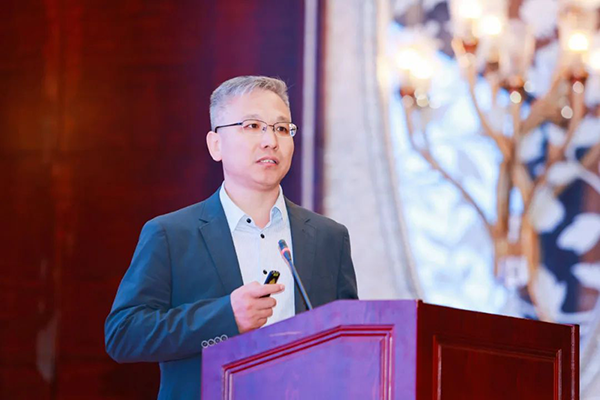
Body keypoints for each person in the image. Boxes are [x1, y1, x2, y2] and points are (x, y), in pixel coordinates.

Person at [104, 76, 358, 399]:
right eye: (252, 126)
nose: (271, 141)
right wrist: (226, 317)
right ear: (216, 145)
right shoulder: (171, 235)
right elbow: (123, 334)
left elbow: (350, 344)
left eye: (282, 128)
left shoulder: (329, 238)